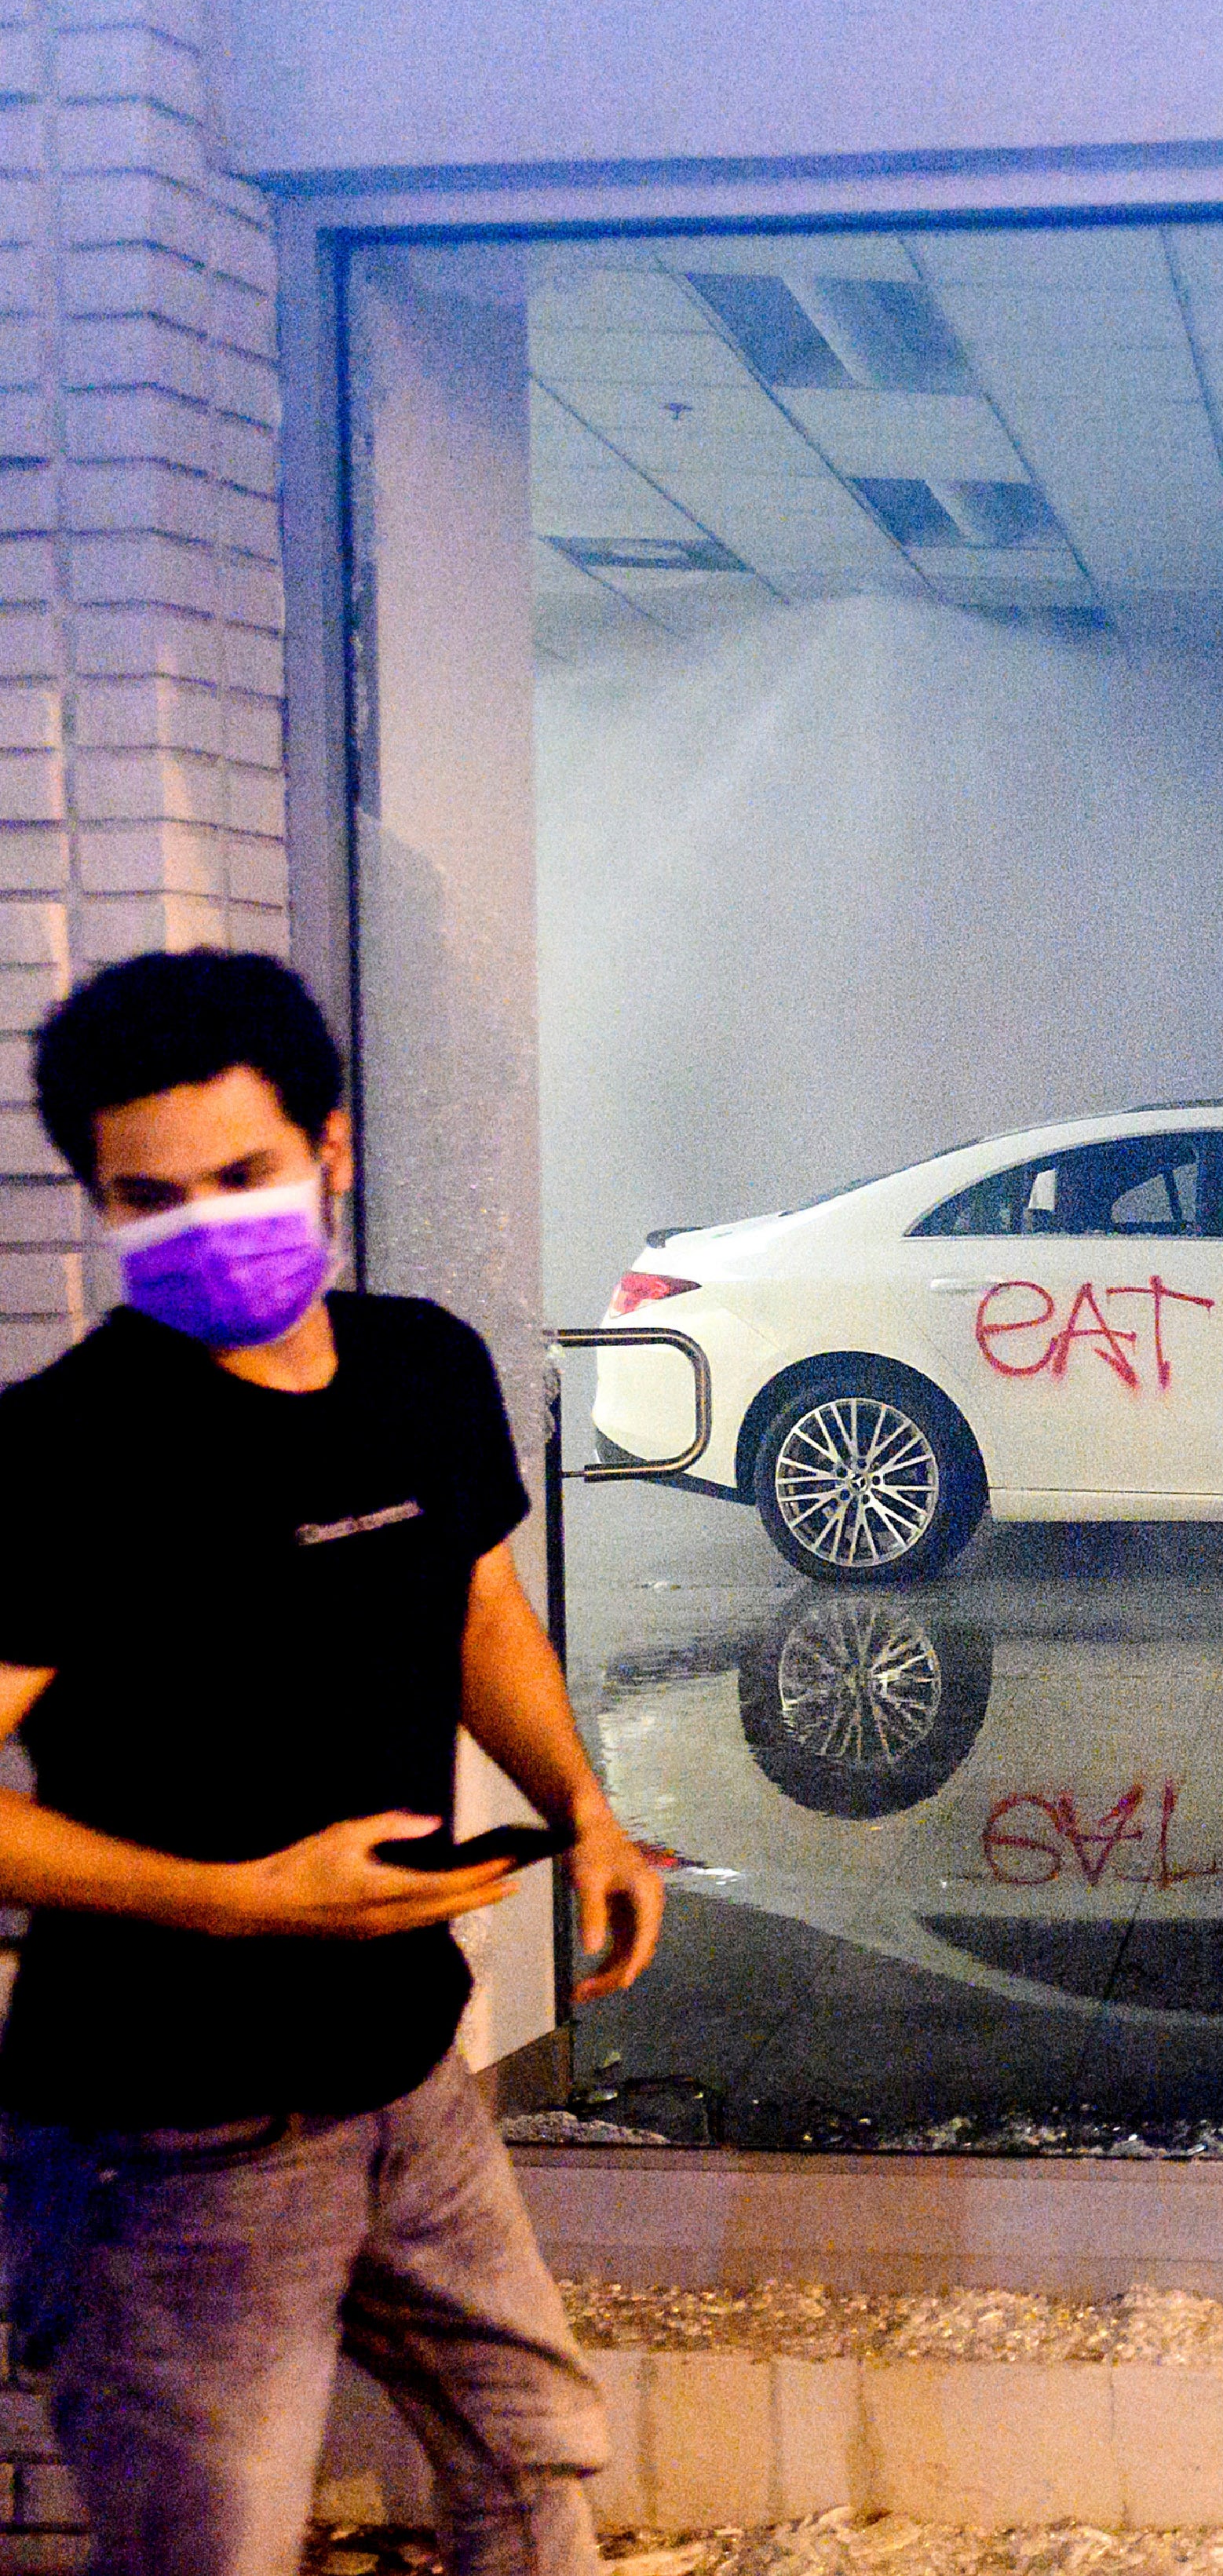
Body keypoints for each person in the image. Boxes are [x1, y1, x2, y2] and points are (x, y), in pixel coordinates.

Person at [0, 950, 665, 2574]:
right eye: (148, 1198)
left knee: (531, 2457)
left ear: (333, 1150)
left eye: (243, 1175)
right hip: (168, 2134)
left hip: (404, 2066)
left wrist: (585, 1811)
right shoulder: (62, 1453)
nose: (202, 1225)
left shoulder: (421, 1369)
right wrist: (235, 1899)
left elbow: (479, 1606)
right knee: (208, 2549)